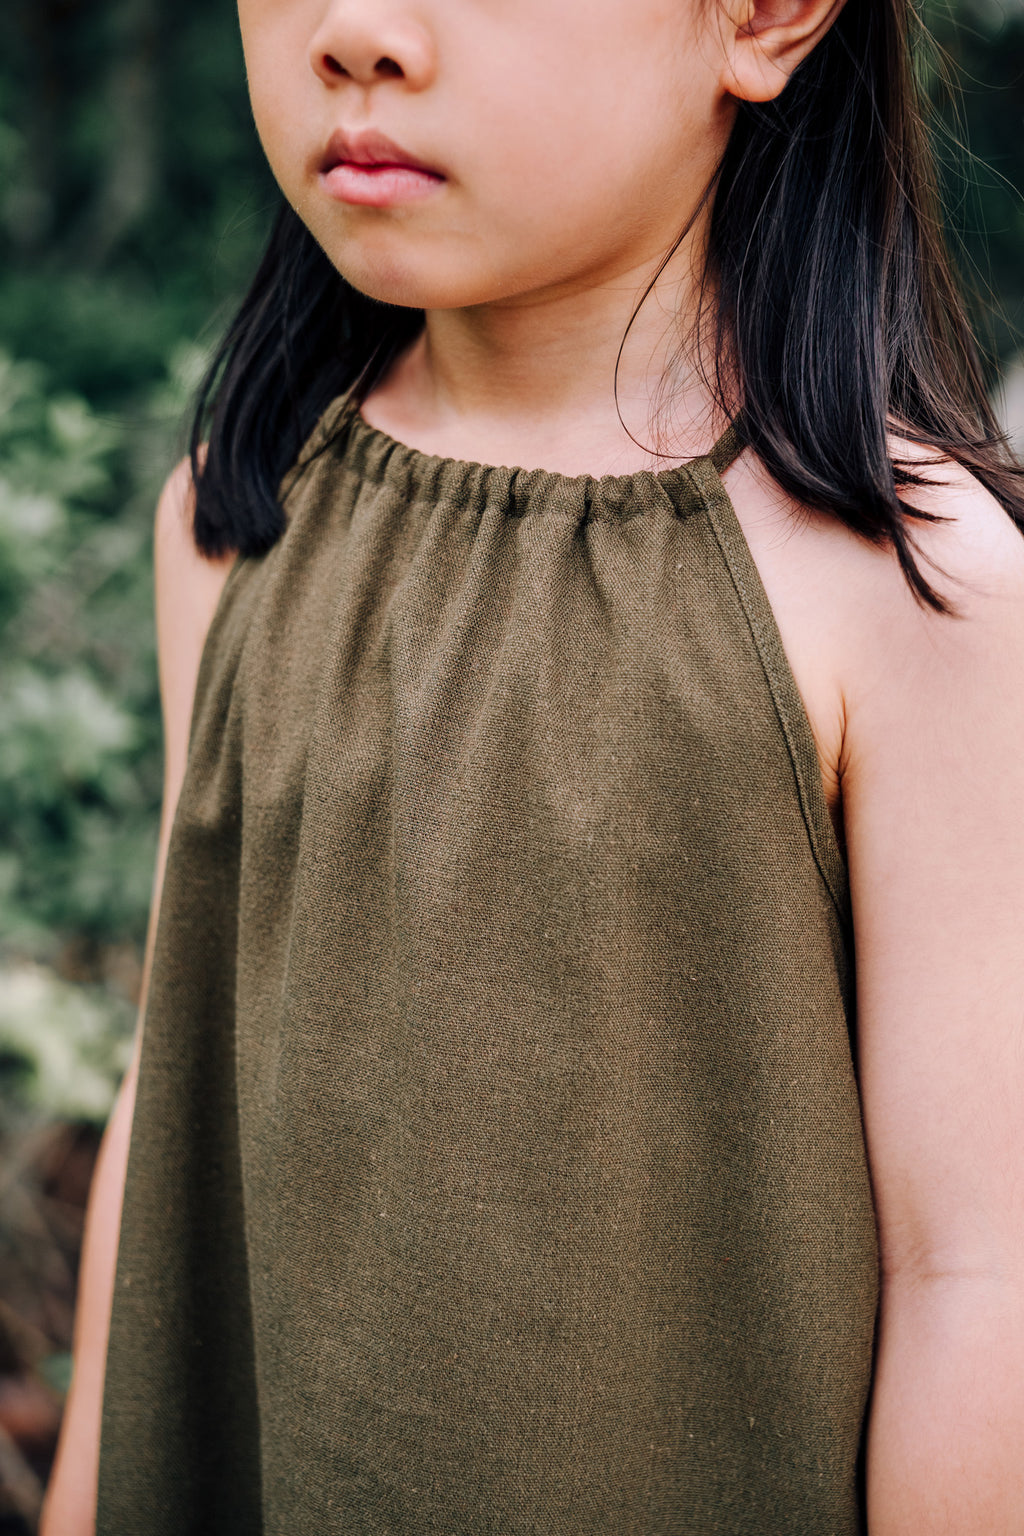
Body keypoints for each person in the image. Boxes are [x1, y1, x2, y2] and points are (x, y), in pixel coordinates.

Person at [41, 0, 1024, 1528]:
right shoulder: (239, 524)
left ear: (762, 17)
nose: (356, 32)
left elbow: (976, 1273)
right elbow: (175, 1126)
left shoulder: (907, 586)